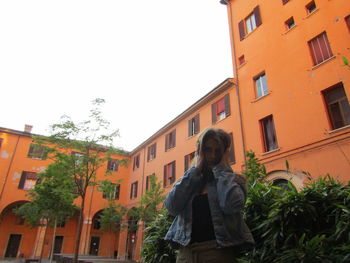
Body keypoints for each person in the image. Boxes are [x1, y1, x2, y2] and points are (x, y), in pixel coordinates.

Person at [164, 127, 254, 263]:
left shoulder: (232, 181)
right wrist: (195, 170)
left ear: (225, 153)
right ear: (199, 151)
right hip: (185, 254)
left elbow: (230, 206)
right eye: (207, 149)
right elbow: (172, 207)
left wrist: (222, 170)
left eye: (218, 151)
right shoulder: (189, 181)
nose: (212, 155)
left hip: (217, 254)